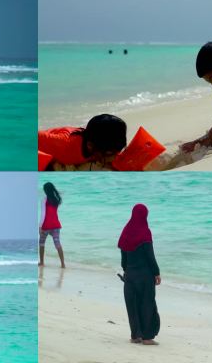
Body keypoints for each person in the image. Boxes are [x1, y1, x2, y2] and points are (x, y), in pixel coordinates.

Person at [118, 204, 161, 345]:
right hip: (145, 276)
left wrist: (126, 271)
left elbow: (123, 257)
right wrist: (156, 273)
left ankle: (136, 336)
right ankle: (148, 337)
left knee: (132, 305)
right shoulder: (145, 232)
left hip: (130, 275)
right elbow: (150, 256)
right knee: (147, 304)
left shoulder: (126, 231)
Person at [38, 114, 127, 170]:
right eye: (110, 153)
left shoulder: (103, 145)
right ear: (90, 145)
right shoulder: (65, 145)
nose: (116, 156)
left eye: (118, 150)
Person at [39, 182, 65, 268]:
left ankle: (42, 262)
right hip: (56, 225)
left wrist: (40, 226)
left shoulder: (44, 200)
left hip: (46, 226)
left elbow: (43, 214)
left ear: (46, 191)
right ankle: (63, 264)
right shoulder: (56, 200)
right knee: (57, 244)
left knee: (41, 243)